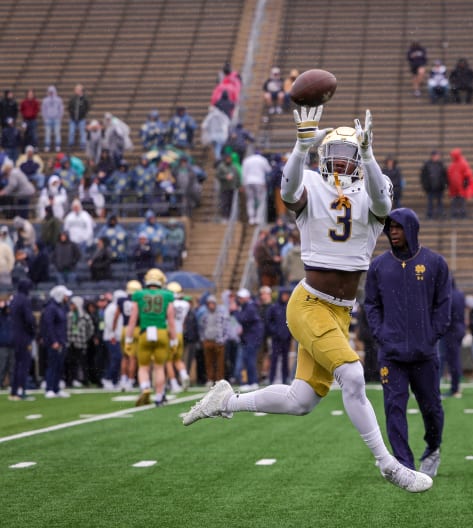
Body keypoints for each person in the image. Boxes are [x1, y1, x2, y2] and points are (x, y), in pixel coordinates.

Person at [183, 105, 433, 493]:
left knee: (301, 399)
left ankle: (226, 402)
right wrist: (299, 148)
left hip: (339, 311)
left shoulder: (372, 187)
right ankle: (389, 464)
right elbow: (286, 190)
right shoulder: (313, 183)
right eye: (333, 153)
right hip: (309, 303)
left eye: (350, 155)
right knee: (351, 375)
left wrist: (369, 157)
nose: (340, 161)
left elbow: (384, 206)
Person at [364, 207, 450, 477]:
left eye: (399, 227)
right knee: (394, 408)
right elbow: (371, 305)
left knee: (432, 408)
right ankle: (404, 463)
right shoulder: (378, 266)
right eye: (390, 227)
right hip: (391, 354)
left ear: (412, 229)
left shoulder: (435, 263)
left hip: (425, 354)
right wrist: (381, 334)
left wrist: (431, 335)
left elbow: (443, 305)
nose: (393, 231)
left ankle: (433, 448)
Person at [124, 268, 177, 407]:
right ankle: (159, 397)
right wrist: (174, 339)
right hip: (161, 332)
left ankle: (145, 387)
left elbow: (133, 319)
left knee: (143, 366)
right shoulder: (167, 295)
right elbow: (171, 320)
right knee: (159, 367)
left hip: (145, 332)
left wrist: (128, 339)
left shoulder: (139, 294)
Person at [41, 284, 73, 398]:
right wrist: (54, 340)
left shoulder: (60, 307)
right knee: (52, 364)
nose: (67, 298)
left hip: (61, 339)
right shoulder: (51, 308)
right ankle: (49, 388)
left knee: (59, 365)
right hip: (54, 341)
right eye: (65, 295)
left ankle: (56, 388)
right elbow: (49, 326)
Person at [230, 288, 264, 390]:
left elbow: (243, 319)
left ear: (246, 297)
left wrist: (235, 311)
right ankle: (249, 382)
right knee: (247, 360)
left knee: (249, 361)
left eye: (241, 298)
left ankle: (252, 382)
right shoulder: (247, 306)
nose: (239, 299)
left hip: (252, 338)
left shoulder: (250, 307)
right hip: (249, 337)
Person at [8, 279, 36, 400]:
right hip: (24, 336)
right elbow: (29, 320)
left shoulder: (14, 299)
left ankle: (14, 390)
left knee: (17, 364)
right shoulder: (24, 300)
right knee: (24, 364)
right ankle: (21, 390)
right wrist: (33, 332)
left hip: (14, 334)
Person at [440, 278, 465, 398]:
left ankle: (455, 388)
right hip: (460, 328)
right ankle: (456, 385)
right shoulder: (460, 294)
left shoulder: (449, 295)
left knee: (452, 360)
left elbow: (447, 314)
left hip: (452, 330)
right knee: (455, 358)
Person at [199, 294, 231, 387]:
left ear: (215, 304)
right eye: (209, 303)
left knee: (220, 362)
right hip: (208, 340)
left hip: (218, 341)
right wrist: (203, 338)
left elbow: (226, 327)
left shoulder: (221, 314)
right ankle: (210, 378)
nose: (211, 305)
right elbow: (201, 327)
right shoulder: (204, 315)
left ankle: (219, 380)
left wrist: (224, 338)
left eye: (212, 303)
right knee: (209, 362)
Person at [165, 281, 191, 393]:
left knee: (168, 360)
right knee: (178, 359)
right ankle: (184, 375)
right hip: (180, 333)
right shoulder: (186, 304)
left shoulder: (169, 304)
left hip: (170, 333)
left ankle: (174, 383)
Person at [265, 287, 292, 384]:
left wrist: (289, 333)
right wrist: (275, 332)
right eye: (284, 295)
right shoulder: (273, 308)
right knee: (274, 359)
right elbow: (268, 322)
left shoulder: (289, 307)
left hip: (286, 339)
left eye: (287, 295)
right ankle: (271, 379)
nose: (286, 297)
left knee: (285, 360)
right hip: (276, 339)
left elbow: (292, 321)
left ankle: (285, 379)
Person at [242, 149, 272, 225]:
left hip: (248, 182)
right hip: (259, 182)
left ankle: (251, 218)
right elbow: (269, 170)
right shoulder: (262, 159)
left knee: (250, 200)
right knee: (261, 201)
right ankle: (258, 218)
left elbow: (243, 173)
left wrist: (243, 184)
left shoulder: (247, 160)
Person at [446, 148, 473, 218]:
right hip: (454, 187)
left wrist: (465, 183)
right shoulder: (455, 164)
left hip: (460, 187)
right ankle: (456, 213)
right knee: (456, 201)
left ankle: (461, 213)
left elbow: (467, 175)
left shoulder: (461, 164)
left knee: (460, 201)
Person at [420, 150, 447, 219]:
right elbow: (423, 176)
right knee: (430, 203)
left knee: (439, 202)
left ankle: (440, 214)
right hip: (430, 188)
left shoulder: (441, 164)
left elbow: (444, 175)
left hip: (439, 187)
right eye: (435, 156)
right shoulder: (427, 165)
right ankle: (430, 214)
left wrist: (443, 184)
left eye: (437, 156)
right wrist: (426, 186)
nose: (436, 157)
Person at [41, 85, 63, 152]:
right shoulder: (45, 100)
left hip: (56, 119)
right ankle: (47, 145)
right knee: (47, 133)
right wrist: (45, 118)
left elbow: (61, 109)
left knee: (57, 133)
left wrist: (59, 116)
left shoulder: (58, 99)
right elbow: (43, 109)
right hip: (48, 119)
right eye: (50, 91)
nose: (51, 93)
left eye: (52, 91)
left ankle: (58, 145)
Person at [67, 84, 89, 150]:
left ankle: (83, 145)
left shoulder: (84, 98)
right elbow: (69, 107)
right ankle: (70, 144)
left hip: (81, 118)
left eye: (76, 89)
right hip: (73, 119)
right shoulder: (73, 98)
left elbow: (87, 107)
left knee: (82, 132)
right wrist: (72, 113)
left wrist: (83, 113)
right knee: (71, 132)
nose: (75, 90)